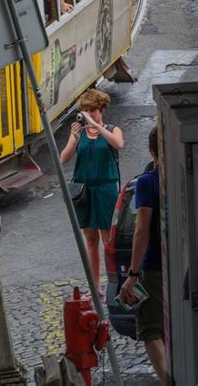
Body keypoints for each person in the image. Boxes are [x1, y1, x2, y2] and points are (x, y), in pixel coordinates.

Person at [60, 88, 123, 293]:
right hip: (84, 191)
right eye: (86, 110)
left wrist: (96, 125)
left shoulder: (113, 129)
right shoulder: (81, 134)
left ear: (102, 110)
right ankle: (95, 286)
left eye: (93, 110)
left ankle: (113, 284)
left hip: (105, 190)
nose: (88, 114)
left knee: (108, 240)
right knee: (91, 240)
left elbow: (118, 144)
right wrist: (73, 138)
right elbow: (64, 158)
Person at [119, 126, 165, 385]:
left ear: (150, 150)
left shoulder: (148, 182)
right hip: (180, 264)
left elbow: (141, 232)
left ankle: (167, 380)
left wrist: (133, 275)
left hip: (155, 267)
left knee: (150, 330)